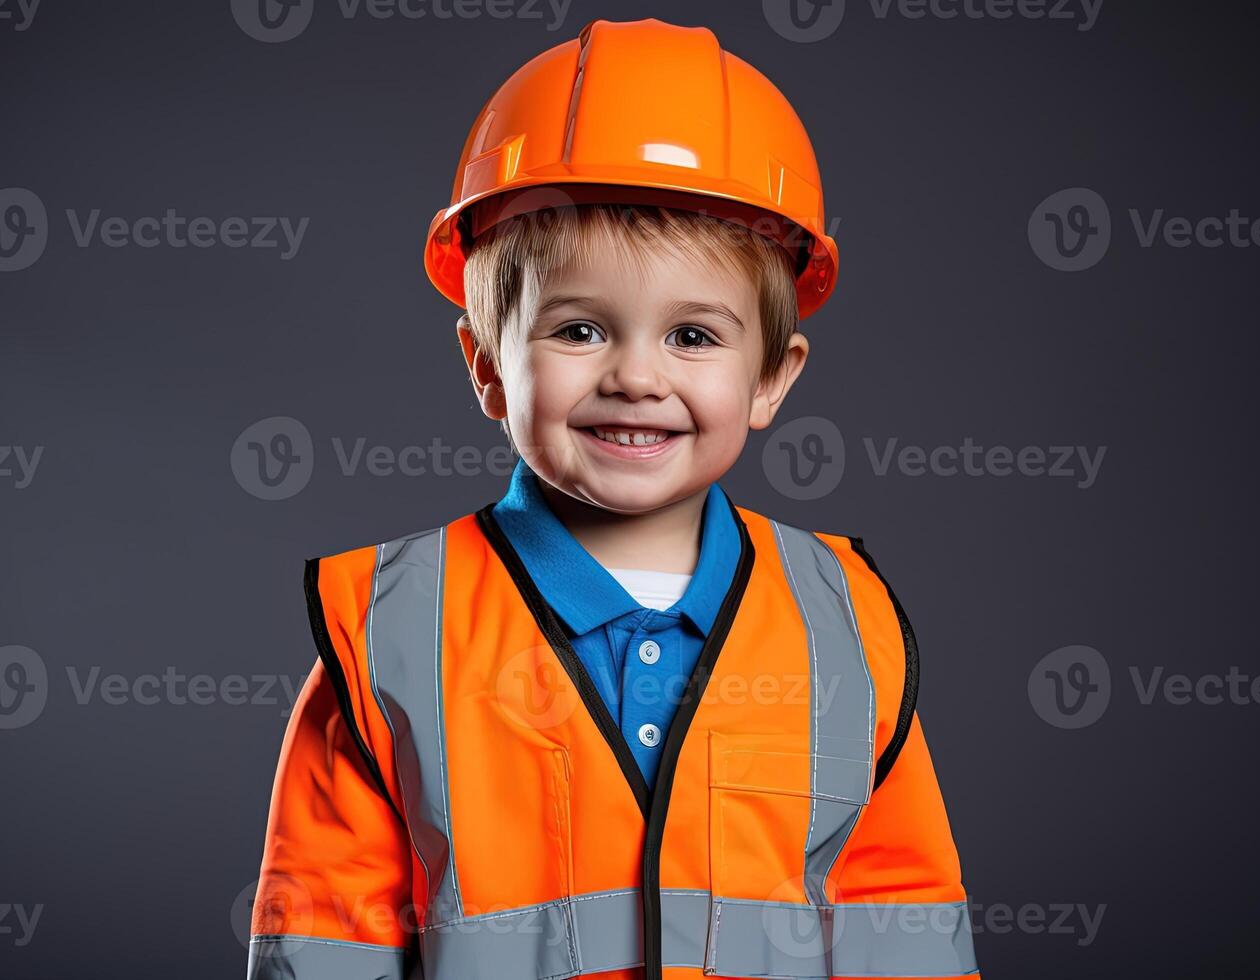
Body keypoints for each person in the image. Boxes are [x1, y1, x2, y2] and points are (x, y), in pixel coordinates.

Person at [246, 17, 979, 980]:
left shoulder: (844, 621)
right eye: (582, 329)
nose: (637, 377)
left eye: (693, 338)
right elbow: (324, 938)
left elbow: (901, 917)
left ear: (772, 378)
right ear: (486, 366)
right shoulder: (388, 633)